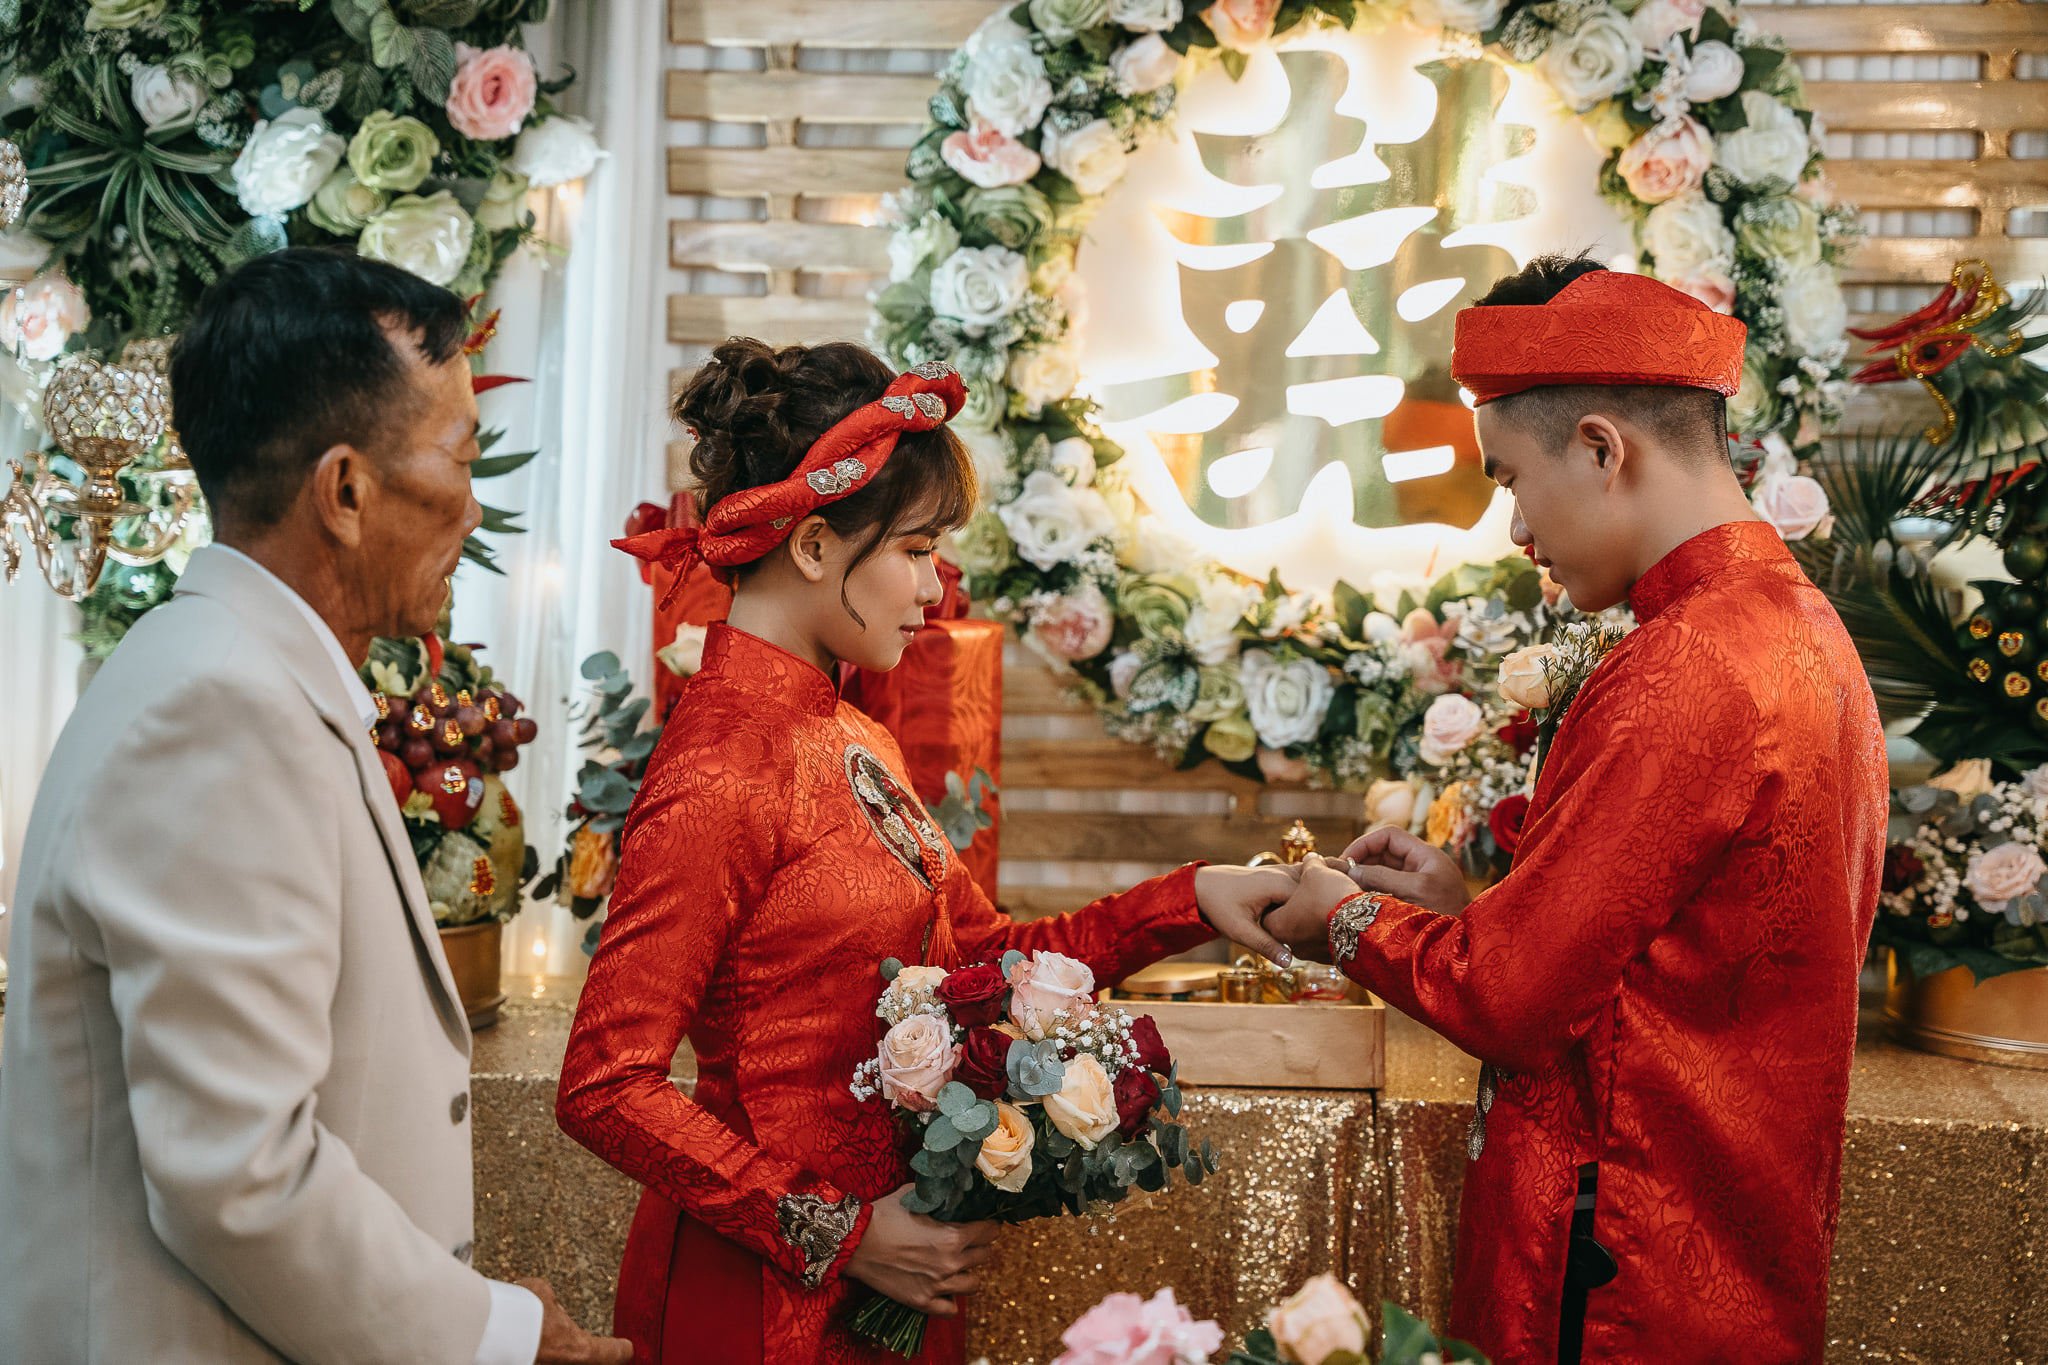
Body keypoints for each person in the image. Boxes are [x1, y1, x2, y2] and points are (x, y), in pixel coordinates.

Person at [555, 338, 1303, 1364]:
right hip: (761, 1297)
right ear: (813, 546)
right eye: (914, 549)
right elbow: (605, 1083)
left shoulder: (852, 738)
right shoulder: (721, 766)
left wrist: (1193, 899)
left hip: (891, 1273)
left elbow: (984, 962)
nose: (938, 588)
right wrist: (837, 1234)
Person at [0, 249, 630, 1365]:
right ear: (345, 492)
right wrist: (493, 1337)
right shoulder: (218, 709)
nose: (471, 508)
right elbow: (236, 1174)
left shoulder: (234, 672)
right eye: (459, 458)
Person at [1264, 258, 1888, 1365]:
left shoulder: (1686, 659)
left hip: (1616, 1267)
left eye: (1507, 479)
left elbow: (1509, 1002)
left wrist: (1337, 918)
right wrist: (1472, 906)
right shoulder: (1796, 627)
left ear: (1601, 449)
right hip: (1720, 1248)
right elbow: (1672, 959)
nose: (1511, 530)